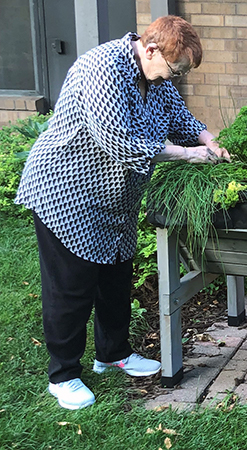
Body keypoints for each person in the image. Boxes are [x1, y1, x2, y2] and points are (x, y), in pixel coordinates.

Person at [14, 15, 229, 410]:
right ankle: (63, 376)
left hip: (115, 200)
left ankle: (112, 354)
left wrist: (210, 141)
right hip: (66, 192)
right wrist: (188, 154)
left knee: (115, 278)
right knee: (71, 288)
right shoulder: (102, 68)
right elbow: (121, 143)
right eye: (174, 69)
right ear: (150, 50)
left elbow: (182, 120)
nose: (175, 79)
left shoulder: (157, 78)